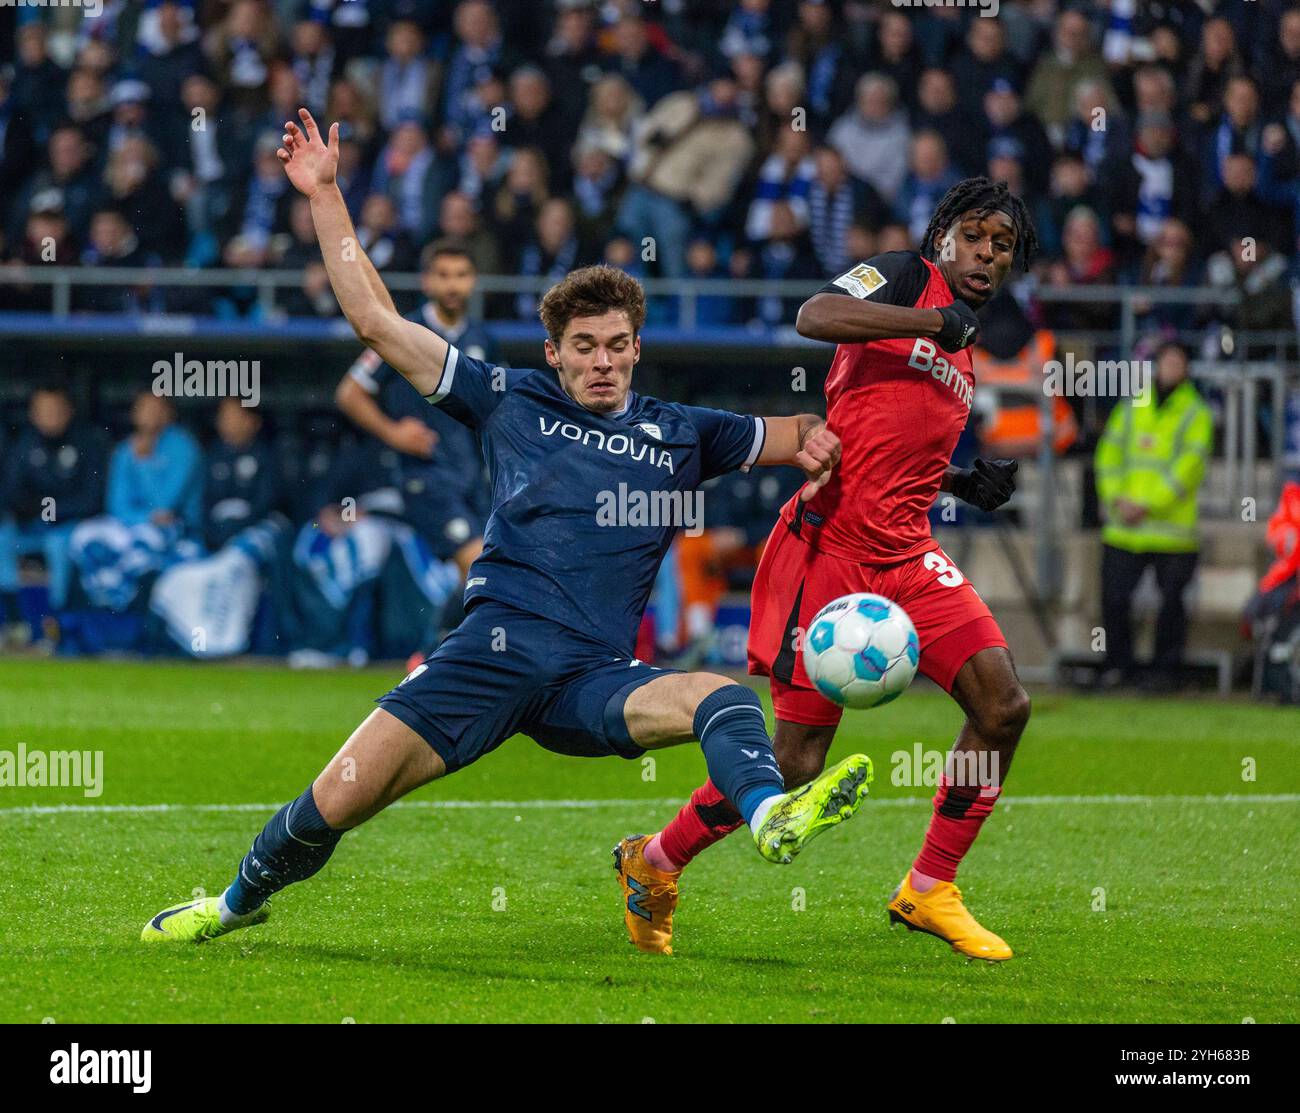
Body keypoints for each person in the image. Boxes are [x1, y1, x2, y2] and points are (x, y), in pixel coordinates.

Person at [141, 108, 871, 946]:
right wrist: (326, 195)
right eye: (585, 346)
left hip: (592, 678)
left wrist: (819, 437)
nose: (603, 361)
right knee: (333, 800)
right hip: (485, 656)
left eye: (618, 345)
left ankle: (773, 813)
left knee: (722, 698)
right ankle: (231, 903)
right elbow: (378, 322)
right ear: (554, 353)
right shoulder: (509, 399)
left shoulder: (683, 431)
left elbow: (798, 432)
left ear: (638, 349)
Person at [620, 177, 1038, 963]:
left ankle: (929, 887)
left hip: (909, 551)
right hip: (829, 550)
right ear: (945, 234)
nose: (988, 254)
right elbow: (815, 314)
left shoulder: (962, 337)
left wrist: (960, 482)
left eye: (1003, 245)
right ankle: (654, 860)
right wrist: (932, 318)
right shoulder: (909, 280)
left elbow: (887, 443)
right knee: (792, 762)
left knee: (1003, 703)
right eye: (976, 236)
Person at [335, 240, 495, 664]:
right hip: (425, 476)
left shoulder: (481, 339)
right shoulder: (403, 334)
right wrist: (392, 432)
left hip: (471, 477)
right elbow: (349, 393)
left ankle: (430, 654)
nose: (453, 284)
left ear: (473, 281)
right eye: (443, 275)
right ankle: (436, 657)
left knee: (491, 573)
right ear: (427, 281)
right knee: (478, 565)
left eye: (461, 275)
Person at [1095, 341, 1213, 690]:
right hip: (1124, 528)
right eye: (1166, 361)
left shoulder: (1195, 412)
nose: (1171, 368)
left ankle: (1165, 671)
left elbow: (1188, 468)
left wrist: (1147, 504)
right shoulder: (1134, 405)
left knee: (1172, 604)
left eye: (1178, 362)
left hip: (1171, 531)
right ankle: (1118, 666)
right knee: (1114, 600)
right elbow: (1108, 454)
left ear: (1187, 368)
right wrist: (1117, 499)